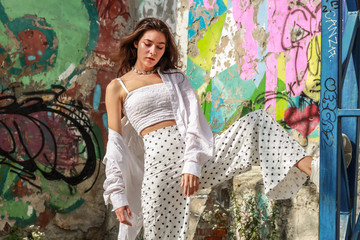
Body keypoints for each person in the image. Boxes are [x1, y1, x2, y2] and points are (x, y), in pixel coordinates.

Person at [102, 17, 320, 240]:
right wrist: (118, 195)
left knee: (257, 122)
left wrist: (191, 164)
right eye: (148, 44)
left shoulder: (175, 78)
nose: (153, 51)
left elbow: (194, 120)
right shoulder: (117, 87)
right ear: (136, 42)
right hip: (160, 172)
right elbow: (116, 146)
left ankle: (315, 170)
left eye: (160, 47)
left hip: (197, 157)